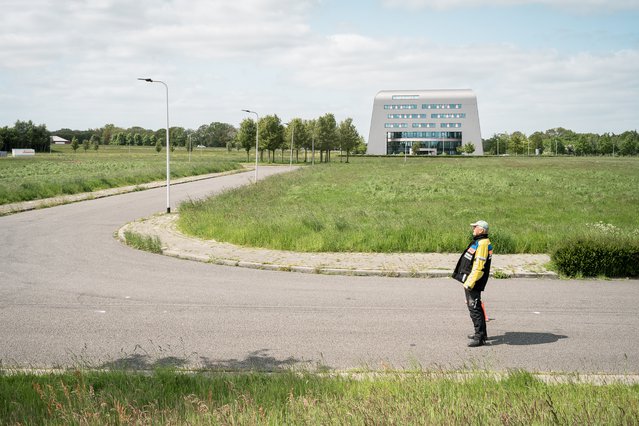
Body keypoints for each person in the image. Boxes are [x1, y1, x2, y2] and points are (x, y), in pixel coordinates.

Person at [452, 220, 493, 347]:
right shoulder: (481, 242)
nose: (473, 229)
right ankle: (482, 334)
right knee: (477, 306)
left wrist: (469, 282)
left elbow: (479, 266)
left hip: (474, 281)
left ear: (481, 230)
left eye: (475, 227)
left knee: (474, 307)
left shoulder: (482, 244)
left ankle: (479, 337)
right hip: (472, 279)